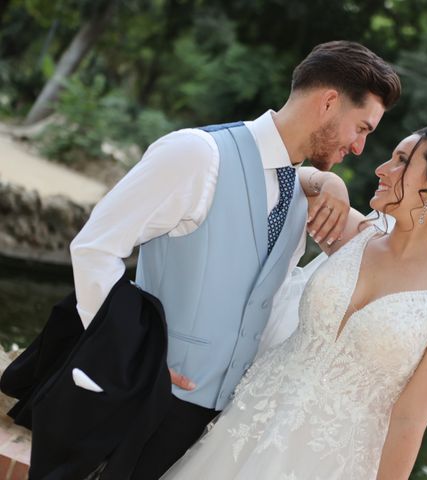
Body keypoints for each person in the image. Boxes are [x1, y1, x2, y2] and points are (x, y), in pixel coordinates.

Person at [69, 41, 401, 479]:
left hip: (214, 424)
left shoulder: (303, 194)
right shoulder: (197, 154)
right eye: (362, 128)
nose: (359, 147)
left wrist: (325, 182)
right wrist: (130, 356)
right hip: (141, 398)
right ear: (328, 103)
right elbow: (95, 248)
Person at [160, 117, 427, 479]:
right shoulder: (354, 235)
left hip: (332, 461)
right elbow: (275, 180)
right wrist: (326, 180)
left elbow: (410, 420)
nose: (382, 169)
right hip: (248, 423)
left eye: (401, 160)